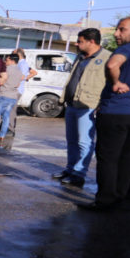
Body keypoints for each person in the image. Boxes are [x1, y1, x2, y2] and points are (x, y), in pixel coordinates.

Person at [81, 16, 130, 210]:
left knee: (108, 157)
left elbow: (112, 64)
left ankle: (106, 199)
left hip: (116, 111)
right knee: (129, 156)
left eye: (122, 29)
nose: (116, 34)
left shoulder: (127, 49)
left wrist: (116, 82)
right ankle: (121, 196)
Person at [52, 28, 108, 187]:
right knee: (72, 141)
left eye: (80, 41)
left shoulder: (107, 58)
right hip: (71, 104)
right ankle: (70, 170)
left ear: (92, 41)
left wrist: (101, 104)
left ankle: (78, 174)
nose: (77, 44)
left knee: (84, 142)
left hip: (88, 106)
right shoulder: (80, 56)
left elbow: (109, 84)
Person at [0, 53, 24, 142]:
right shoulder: (19, 71)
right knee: (6, 116)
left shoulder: (7, 69)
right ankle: (2, 135)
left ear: (11, 60)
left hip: (3, 94)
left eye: (6, 60)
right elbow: (18, 84)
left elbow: (1, 81)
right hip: (13, 96)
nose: (5, 62)